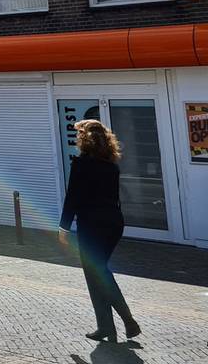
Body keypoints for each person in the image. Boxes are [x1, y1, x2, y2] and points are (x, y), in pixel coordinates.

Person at [59, 120, 140, 342]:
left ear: (84, 141)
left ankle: (128, 320)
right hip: (113, 223)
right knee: (98, 272)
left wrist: (63, 227)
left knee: (97, 272)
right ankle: (105, 327)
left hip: (91, 225)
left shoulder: (81, 165)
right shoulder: (111, 165)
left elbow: (72, 197)